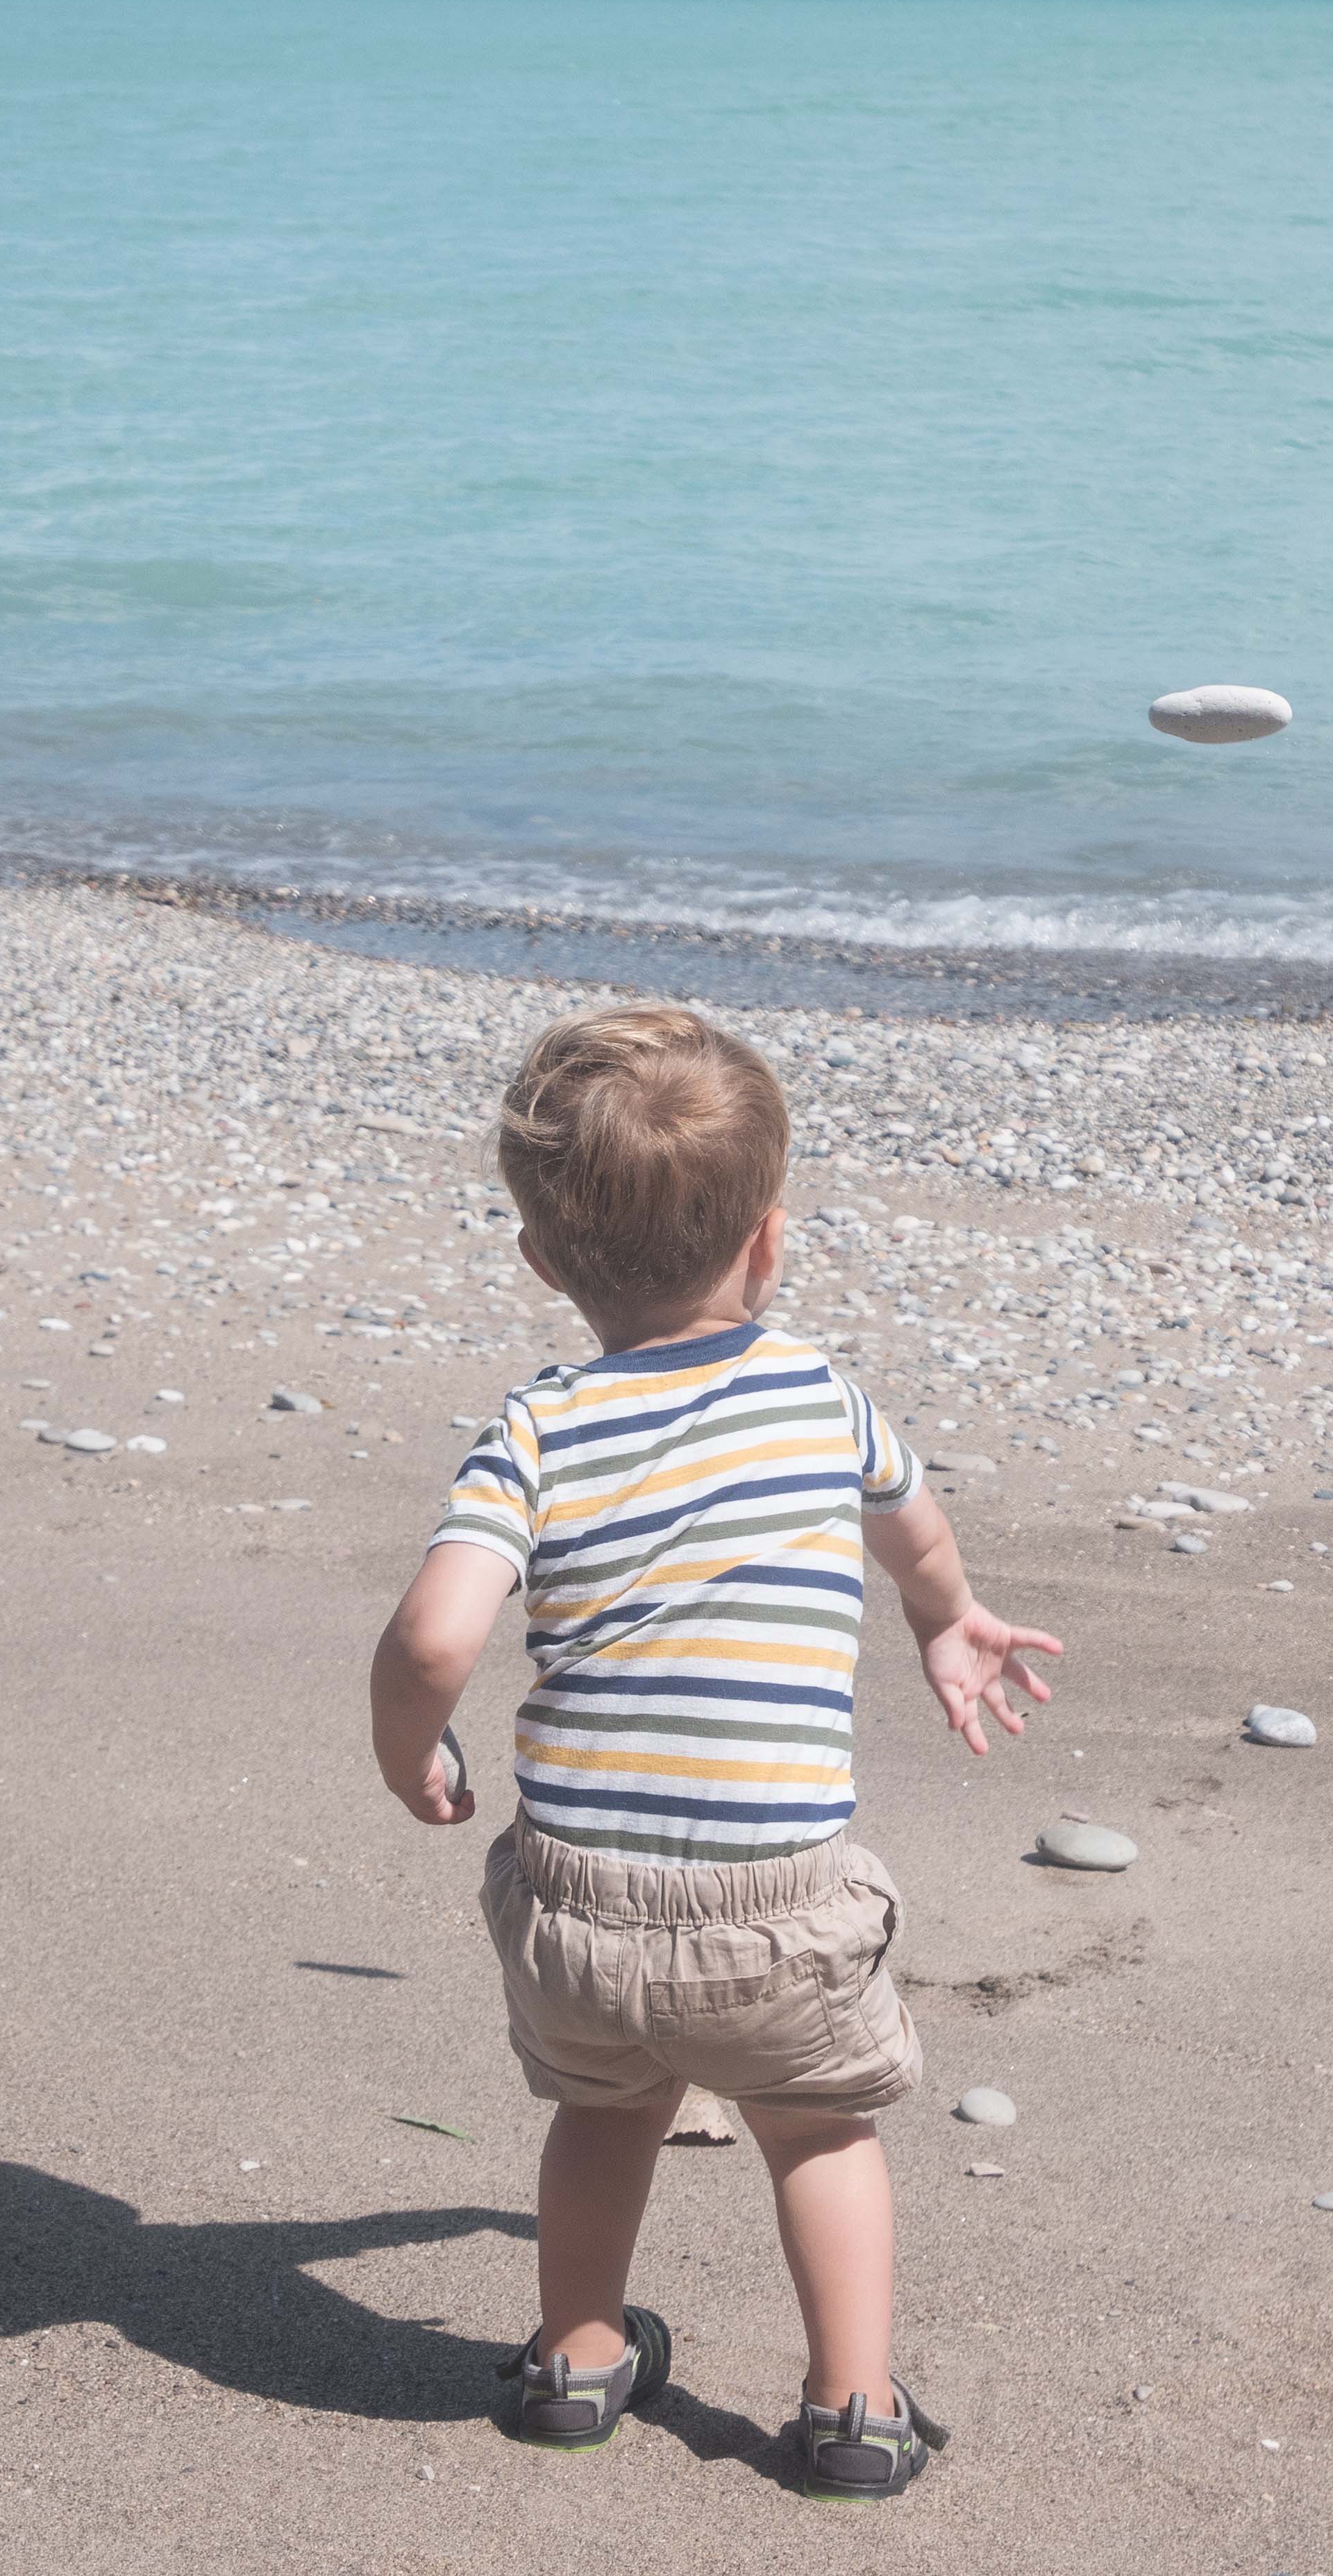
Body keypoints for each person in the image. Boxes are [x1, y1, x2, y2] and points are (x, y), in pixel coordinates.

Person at [368, 1002, 1061, 2498]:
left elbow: (435, 1635)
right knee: (815, 2131)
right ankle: (852, 2406)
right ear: (769, 1240)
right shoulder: (820, 1394)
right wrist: (945, 1622)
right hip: (772, 1903)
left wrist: (408, 1750)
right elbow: (911, 1527)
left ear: (544, 1262)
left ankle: (572, 2358)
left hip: (572, 1903)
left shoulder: (539, 1428)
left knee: (601, 2113)